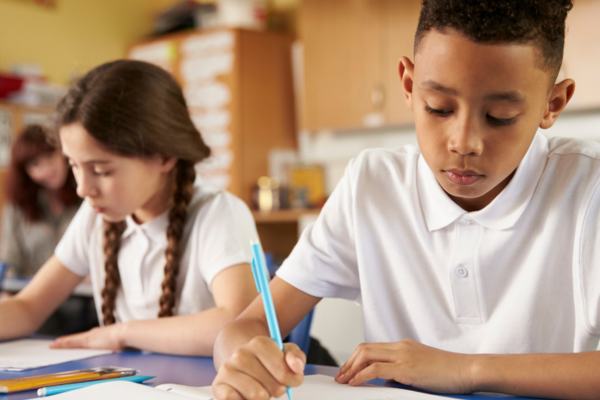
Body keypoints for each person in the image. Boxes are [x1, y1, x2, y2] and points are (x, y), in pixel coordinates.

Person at [211, 1, 600, 399]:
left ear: (552, 104)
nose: (463, 143)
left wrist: (465, 369)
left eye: (500, 116)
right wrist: (245, 360)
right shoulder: (372, 184)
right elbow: (245, 327)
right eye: (439, 108)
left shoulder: (589, 188)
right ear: (409, 86)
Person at [0, 60, 259, 356]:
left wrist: (121, 333)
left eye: (102, 170)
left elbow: (240, 323)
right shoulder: (94, 216)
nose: (83, 189)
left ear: (163, 156)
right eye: (73, 165)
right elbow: (29, 306)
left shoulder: (217, 212)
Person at [1, 125, 80, 278]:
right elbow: (9, 259)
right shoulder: (18, 205)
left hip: (84, 294)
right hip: (33, 294)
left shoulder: (86, 194)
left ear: (63, 152)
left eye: (50, 156)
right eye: (35, 164)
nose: (47, 169)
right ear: (24, 171)